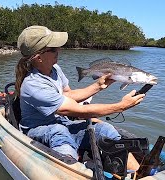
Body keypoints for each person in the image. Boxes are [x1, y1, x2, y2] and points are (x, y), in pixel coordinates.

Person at [15, 25, 145, 171]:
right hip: (37, 129)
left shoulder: (54, 69)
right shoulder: (33, 85)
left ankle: (138, 174)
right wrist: (121, 106)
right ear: (39, 58)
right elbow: (76, 110)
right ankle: (69, 170)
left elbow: (69, 96)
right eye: (53, 49)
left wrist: (98, 85)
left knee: (106, 129)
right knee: (59, 132)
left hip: (62, 122)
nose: (59, 50)